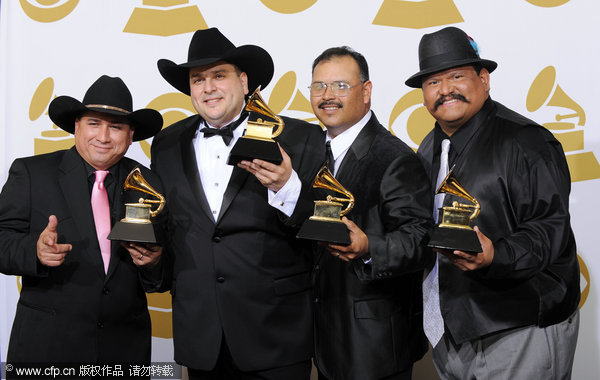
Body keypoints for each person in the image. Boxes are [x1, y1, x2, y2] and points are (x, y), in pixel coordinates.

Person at [406, 26, 581, 379]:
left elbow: (550, 230)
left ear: (484, 79)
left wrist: (494, 256)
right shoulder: (428, 148)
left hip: (516, 327)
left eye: (457, 76)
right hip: (451, 330)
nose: (445, 90)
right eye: (433, 82)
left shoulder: (526, 141)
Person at [151, 28, 324, 379]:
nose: (208, 88)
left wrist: (287, 186)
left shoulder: (298, 137)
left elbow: (325, 228)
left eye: (219, 76)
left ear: (244, 82)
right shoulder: (166, 144)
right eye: (198, 79)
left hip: (277, 333)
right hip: (202, 337)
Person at [0, 75, 166, 366]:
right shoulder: (31, 173)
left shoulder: (149, 183)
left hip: (124, 353)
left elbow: (164, 274)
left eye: (115, 127)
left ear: (130, 135)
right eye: (93, 124)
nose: (103, 137)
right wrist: (34, 251)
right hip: (47, 351)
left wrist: (153, 262)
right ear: (76, 127)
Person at [308, 46, 433, 380]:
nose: (327, 96)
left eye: (340, 86)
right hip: (324, 342)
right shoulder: (309, 153)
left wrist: (368, 248)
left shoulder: (394, 158)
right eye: (318, 86)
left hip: (374, 346)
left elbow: (420, 241)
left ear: (366, 91)